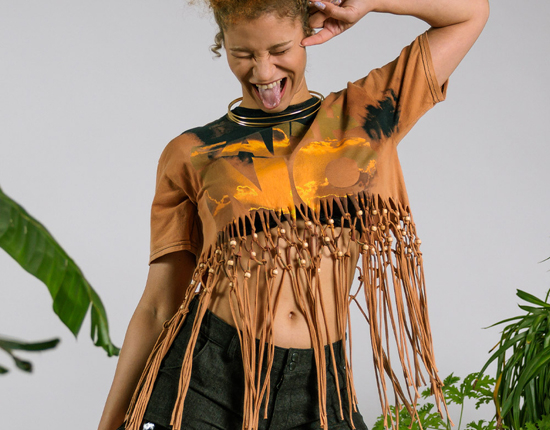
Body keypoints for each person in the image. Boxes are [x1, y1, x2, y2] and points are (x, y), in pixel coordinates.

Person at [98, 0, 489, 429]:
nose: (263, 71)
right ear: (222, 45)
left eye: (279, 49)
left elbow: (469, 13)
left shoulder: (364, 115)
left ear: (307, 33)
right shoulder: (191, 152)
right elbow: (158, 306)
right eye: (243, 54)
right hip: (206, 379)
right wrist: (109, 423)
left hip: (320, 386)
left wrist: (368, 2)